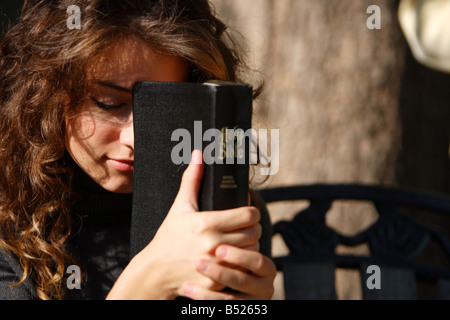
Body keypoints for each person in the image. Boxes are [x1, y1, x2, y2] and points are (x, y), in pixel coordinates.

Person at [0, 0, 276, 300]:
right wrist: (150, 282)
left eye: (164, 110)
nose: (136, 138)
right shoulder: (9, 227)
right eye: (108, 103)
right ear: (48, 94)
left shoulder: (219, 213)